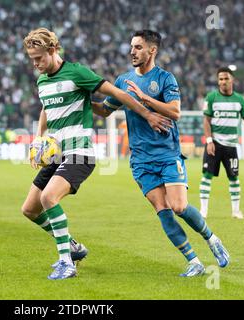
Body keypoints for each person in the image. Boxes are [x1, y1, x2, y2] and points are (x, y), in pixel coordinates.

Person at [21, 27, 171, 280]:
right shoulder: (42, 81)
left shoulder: (77, 72)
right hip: (57, 153)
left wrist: (147, 114)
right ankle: (73, 247)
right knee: (29, 209)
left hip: (80, 153)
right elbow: (46, 108)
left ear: (53, 50)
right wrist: (38, 138)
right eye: (32, 59)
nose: (35, 64)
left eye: (39, 58)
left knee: (48, 198)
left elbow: (118, 94)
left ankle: (65, 262)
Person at [92, 30, 230, 277]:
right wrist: (80, 101)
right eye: (131, 47)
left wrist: (144, 98)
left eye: (138, 47)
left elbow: (175, 112)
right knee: (162, 209)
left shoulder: (166, 78)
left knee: (178, 206)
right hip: (141, 160)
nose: (132, 52)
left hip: (167, 153)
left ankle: (211, 238)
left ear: (152, 50)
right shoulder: (123, 81)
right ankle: (194, 261)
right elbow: (104, 110)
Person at [199, 67, 244, 219]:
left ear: (232, 80)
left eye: (226, 78)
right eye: (220, 79)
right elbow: (206, 121)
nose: (223, 82)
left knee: (233, 177)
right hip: (214, 144)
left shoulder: (240, 100)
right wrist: (209, 140)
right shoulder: (211, 97)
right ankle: (203, 211)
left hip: (231, 146)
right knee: (206, 176)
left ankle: (236, 211)